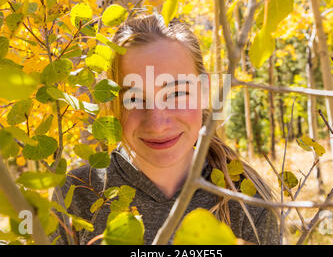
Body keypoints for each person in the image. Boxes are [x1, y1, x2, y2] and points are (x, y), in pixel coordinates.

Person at [50, 13, 279, 245]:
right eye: (134, 98)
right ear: (112, 103)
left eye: (177, 94)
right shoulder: (76, 194)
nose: (157, 124)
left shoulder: (245, 201)